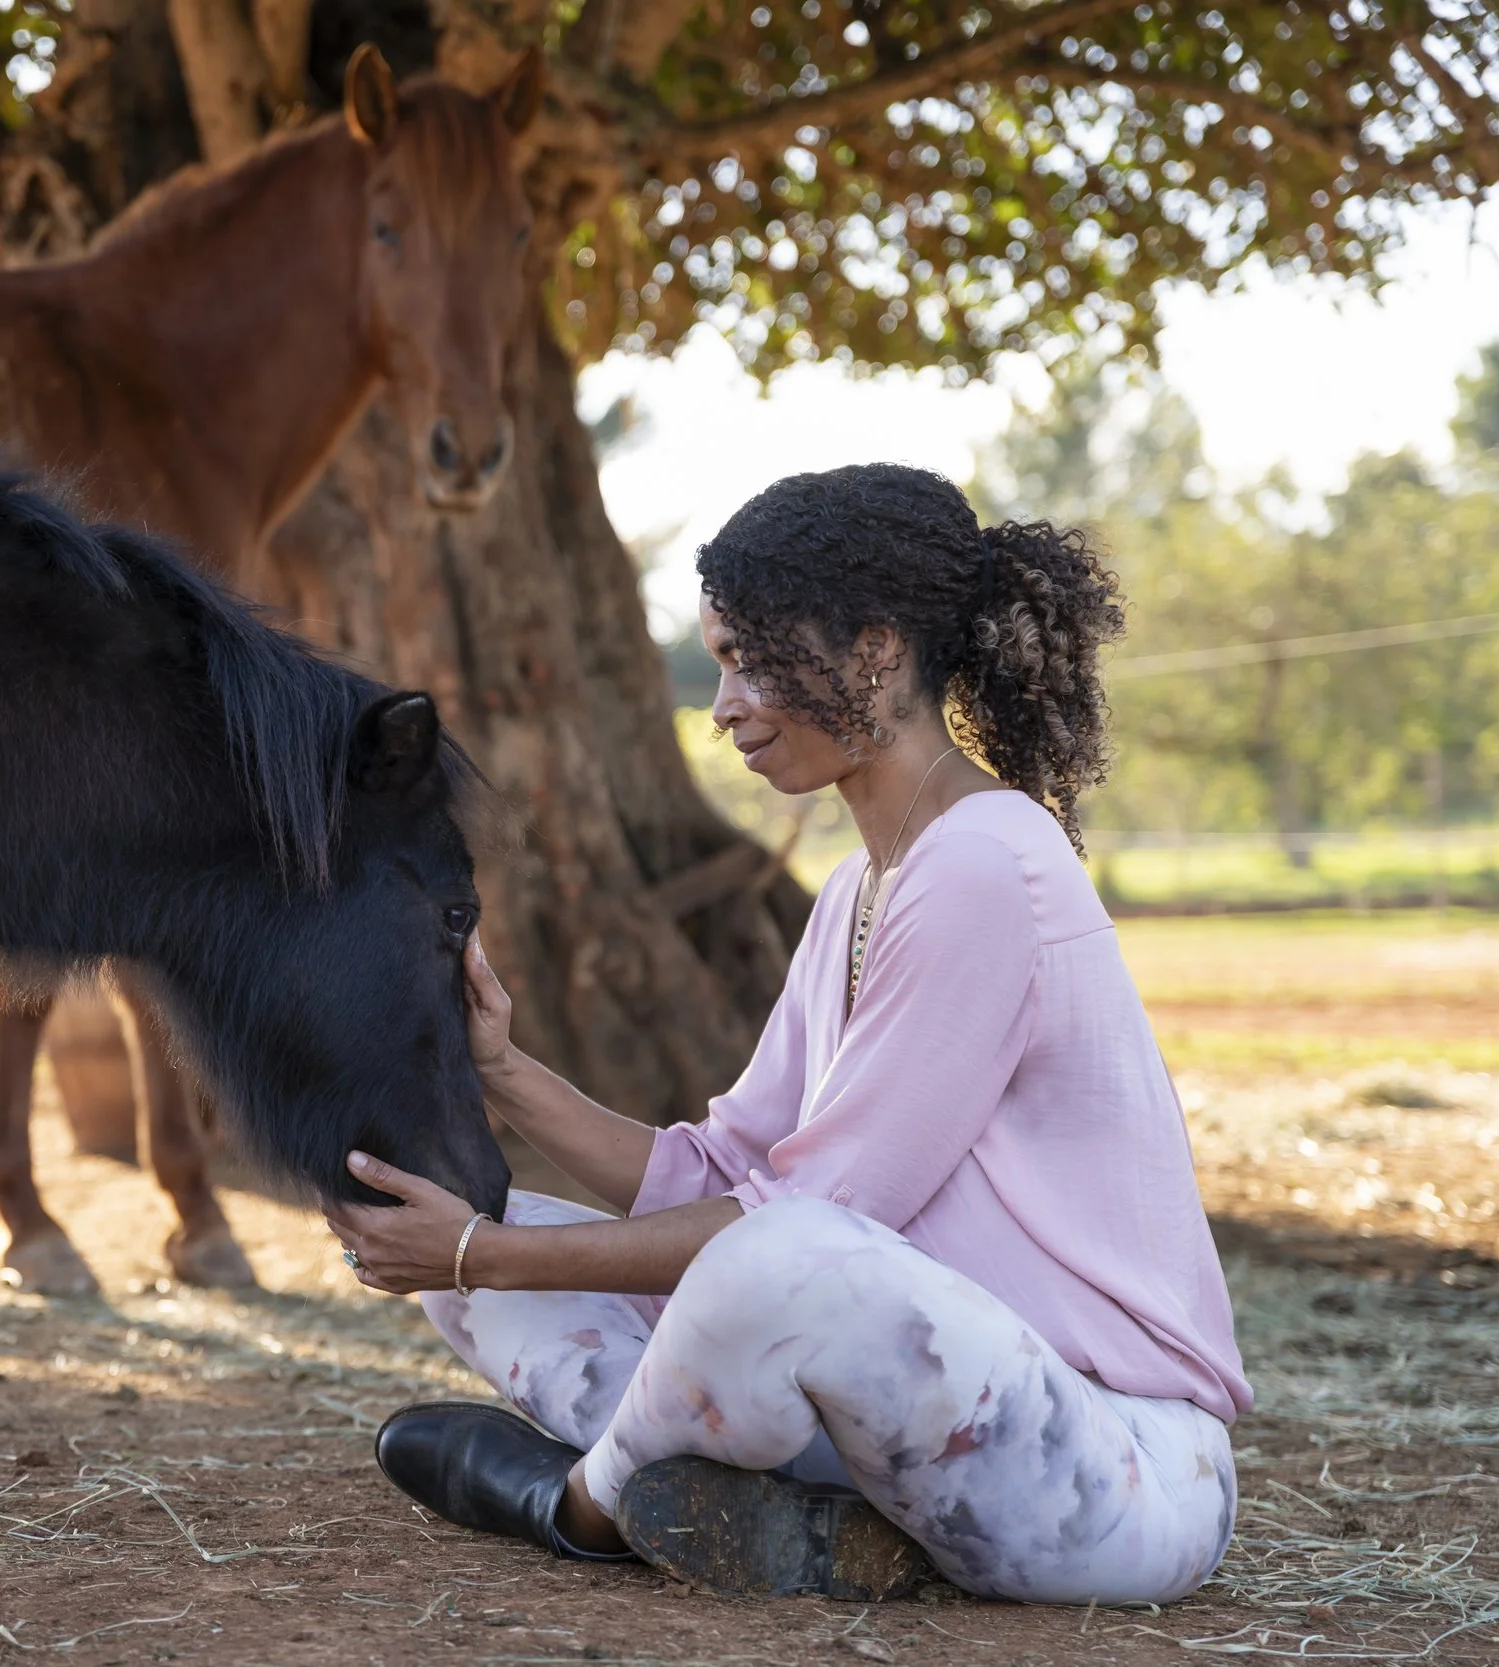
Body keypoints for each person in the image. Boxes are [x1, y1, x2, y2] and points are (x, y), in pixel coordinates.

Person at [325, 464, 1249, 1605]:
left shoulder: (983, 864)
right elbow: (717, 1170)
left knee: (766, 1254)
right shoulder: (859, 888)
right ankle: (822, 1524)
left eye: (753, 659)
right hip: (932, 1432)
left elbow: (806, 1226)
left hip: (1115, 1470)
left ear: (874, 651)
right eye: (719, 661)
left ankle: (583, 1505)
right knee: (491, 1213)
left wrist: (481, 1252)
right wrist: (502, 1077)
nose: (722, 706)